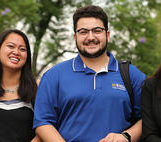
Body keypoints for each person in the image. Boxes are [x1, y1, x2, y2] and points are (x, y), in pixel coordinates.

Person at [33, 5, 146, 142]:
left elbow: (148, 118)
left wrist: (126, 136)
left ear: (107, 35)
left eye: (97, 31)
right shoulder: (53, 76)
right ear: (75, 37)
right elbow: (43, 122)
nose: (90, 37)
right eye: (83, 32)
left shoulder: (132, 75)